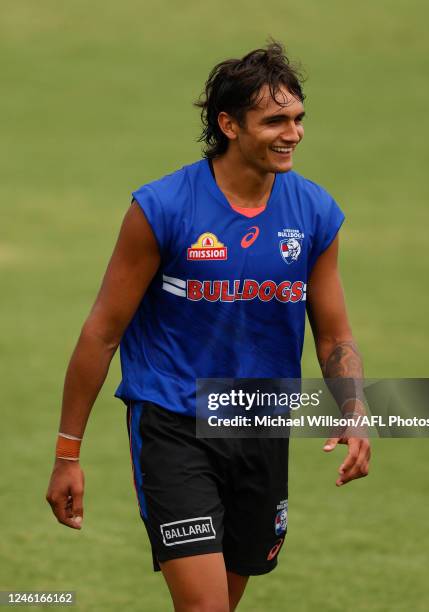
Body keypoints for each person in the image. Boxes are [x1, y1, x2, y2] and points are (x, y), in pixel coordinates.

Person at [46, 41, 370, 612]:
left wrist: (355, 412)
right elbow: (102, 332)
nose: (292, 133)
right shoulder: (162, 209)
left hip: (260, 425)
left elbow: (333, 334)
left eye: (297, 119)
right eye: (274, 121)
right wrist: (68, 453)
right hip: (174, 422)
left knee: (226, 597)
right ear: (229, 125)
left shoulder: (316, 213)